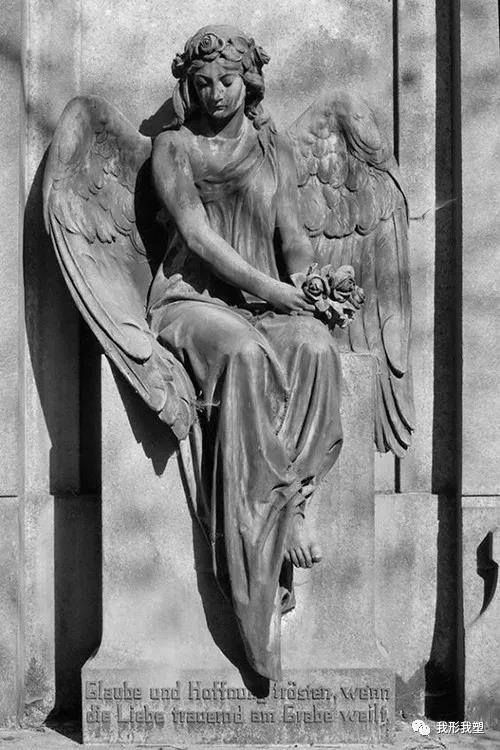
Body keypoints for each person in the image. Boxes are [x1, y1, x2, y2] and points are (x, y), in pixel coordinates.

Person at [146, 25, 343, 682]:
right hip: (192, 302)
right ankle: (269, 532)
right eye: (202, 83)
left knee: (314, 345)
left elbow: (292, 237)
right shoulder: (173, 148)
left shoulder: (271, 148)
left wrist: (310, 288)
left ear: (248, 81)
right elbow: (198, 238)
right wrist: (273, 290)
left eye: (227, 80)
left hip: (264, 304)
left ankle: (293, 505)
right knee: (246, 355)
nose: (215, 93)